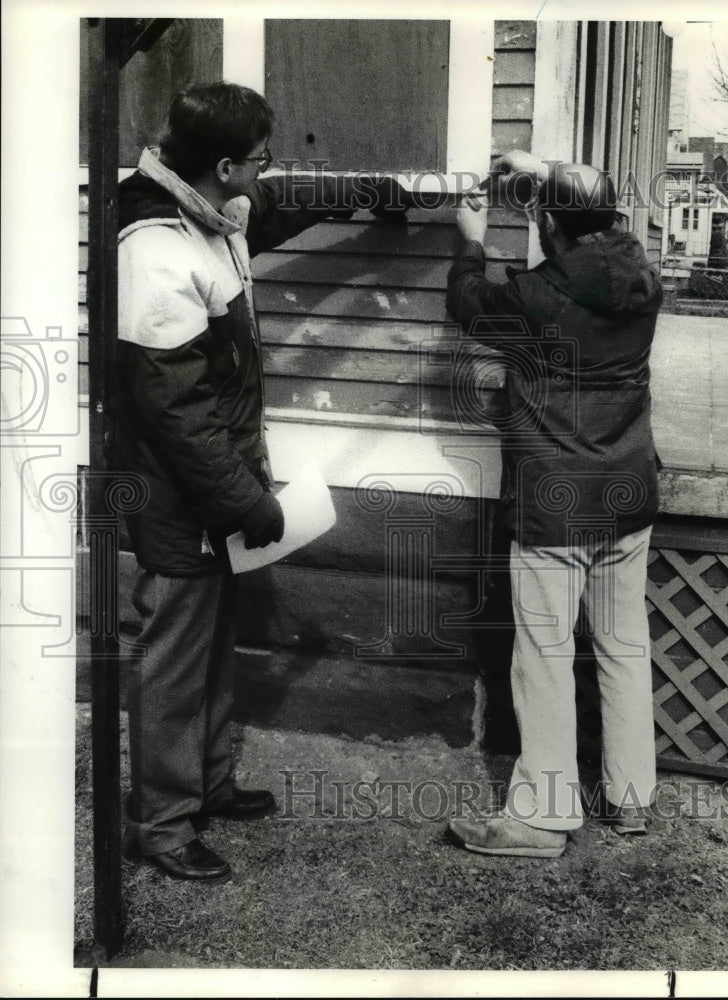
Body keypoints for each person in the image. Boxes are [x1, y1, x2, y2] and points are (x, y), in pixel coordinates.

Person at [117, 82, 410, 881]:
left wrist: (373, 191)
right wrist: (246, 501)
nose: (267, 170)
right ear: (221, 165)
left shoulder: (209, 214)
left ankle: (206, 785)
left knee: (211, 645)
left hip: (216, 484)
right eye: (257, 159)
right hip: (181, 493)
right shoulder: (155, 249)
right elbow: (176, 412)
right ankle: (163, 825)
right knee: (173, 658)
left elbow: (278, 206)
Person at [446, 152, 662, 857]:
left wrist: (472, 236)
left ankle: (540, 817)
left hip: (555, 506)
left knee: (544, 652)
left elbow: (467, 304)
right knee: (624, 647)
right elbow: (599, 222)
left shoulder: (534, 301)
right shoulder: (642, 277)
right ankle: (631, 799)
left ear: (546, 224)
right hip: (627, 496)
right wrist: (548, 175)